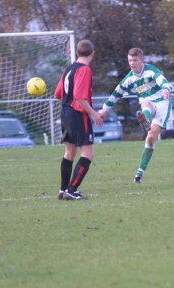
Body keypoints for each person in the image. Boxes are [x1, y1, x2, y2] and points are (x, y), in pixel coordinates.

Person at [99, 48, 173, 184]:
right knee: (146, 105)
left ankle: (139, 172)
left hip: (162, 104)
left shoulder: (150, 70)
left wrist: (166, 89)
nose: (132, 63)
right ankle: (145, 120)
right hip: (148, 103)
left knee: (151, 138)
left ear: (141, 60)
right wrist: (104, 109)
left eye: (135, 60)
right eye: (130, 60)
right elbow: (116, 93)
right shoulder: (129, 79)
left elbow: (163, 81)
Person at [54, 39, 103, 200]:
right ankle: (72, 190)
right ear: (93, 53)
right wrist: (93, 114)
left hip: (65, 112)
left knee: (69, 152)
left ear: (77, 53)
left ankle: (63, 190)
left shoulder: (69, 68)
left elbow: (58, 94)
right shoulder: (84, 69)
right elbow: (80, 97)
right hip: (77, 115)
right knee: (88, 153)